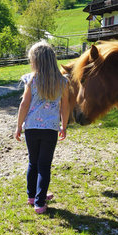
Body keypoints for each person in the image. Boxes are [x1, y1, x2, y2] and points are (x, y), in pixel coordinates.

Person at [14, 40, 69, 214]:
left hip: (31, 127)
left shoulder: (31, 80)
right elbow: (65, 106)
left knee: (33, 162)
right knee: (44, 165)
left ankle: (32, 196)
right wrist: (64, 126)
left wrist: (18, 126)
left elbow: (24, 104)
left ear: (35, 61)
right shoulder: (62, 82)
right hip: (51, 128)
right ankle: (39, 202)